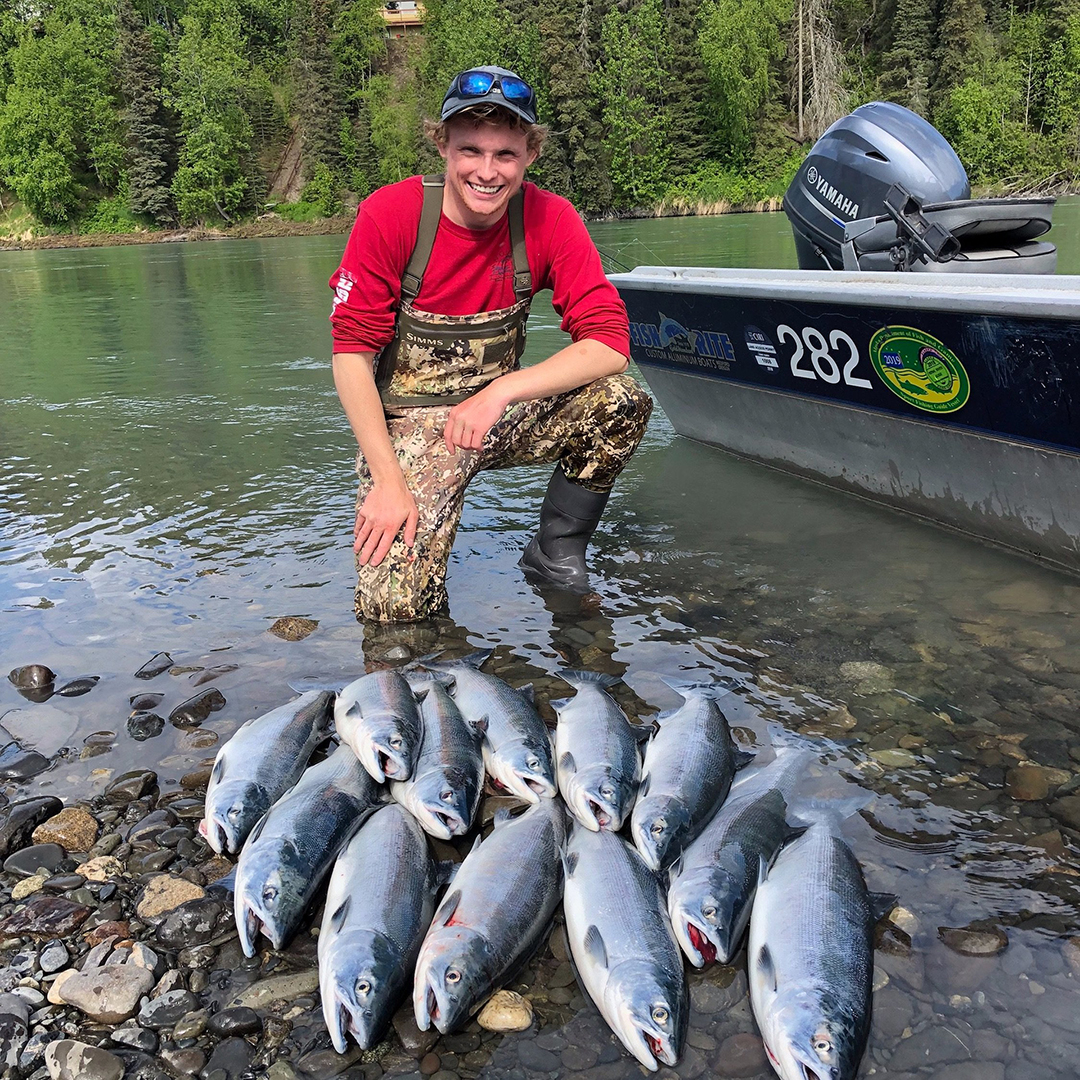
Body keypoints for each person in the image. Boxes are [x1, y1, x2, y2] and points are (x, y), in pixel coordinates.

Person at [329, 65, 652, 623]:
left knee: (621, 401)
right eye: (470, 150)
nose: (486, 171)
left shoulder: (551, 218)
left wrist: (502, 389)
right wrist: (386, 482)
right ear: (442, 145)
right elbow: (350, 357)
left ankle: (556, 552)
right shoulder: (390, 215)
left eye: (505, 154)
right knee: (395, 618)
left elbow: (611, 343)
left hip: (498, 414)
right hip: (408, 429)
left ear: (530, 153)